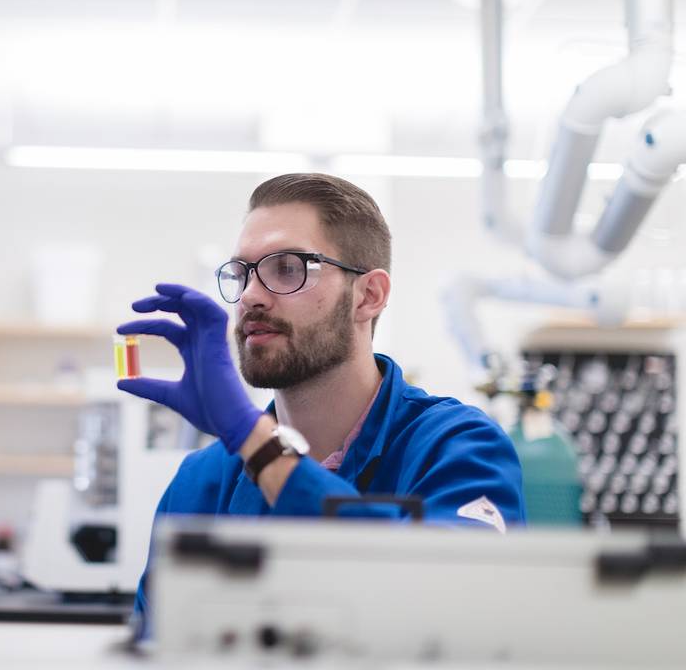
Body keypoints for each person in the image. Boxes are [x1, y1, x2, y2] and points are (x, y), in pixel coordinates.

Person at [117, 172, 525, 617]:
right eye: (241, 274)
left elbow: (457, 599)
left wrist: (253, 439)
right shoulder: (202, 483)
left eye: (287, 268)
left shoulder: (457, 447)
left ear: (368, 296)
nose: (251, 296)